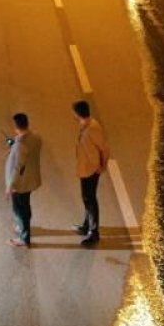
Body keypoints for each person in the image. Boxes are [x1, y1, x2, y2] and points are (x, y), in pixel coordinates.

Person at [73, 100, 110, 247]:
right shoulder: (85, 125)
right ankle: (86, 225)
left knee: (90, 199)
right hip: (85, 168)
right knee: (86, 198)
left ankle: (94, 233)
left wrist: (103, 166)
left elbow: (105, 148)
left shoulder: (93, 129)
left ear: (77, 114)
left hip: (92, 169)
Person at [4, 113, 42, 248]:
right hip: (30, 179)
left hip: (21, 183)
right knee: (25, 206)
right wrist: (14, 146)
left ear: (16, 127)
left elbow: (17, 167)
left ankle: (24, 238)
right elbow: (27, 152)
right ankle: (22, 227)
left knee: (20, 209)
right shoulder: (36, 138)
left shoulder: (20, 145)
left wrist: (10, 186)